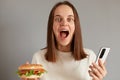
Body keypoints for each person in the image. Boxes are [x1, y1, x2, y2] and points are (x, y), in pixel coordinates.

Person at [22, 1, 107, 80]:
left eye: (69, 19)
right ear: (52, 26)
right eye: (58, 19)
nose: (64, 23)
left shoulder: (90, 57)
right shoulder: (38, 58)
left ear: (75, 26)